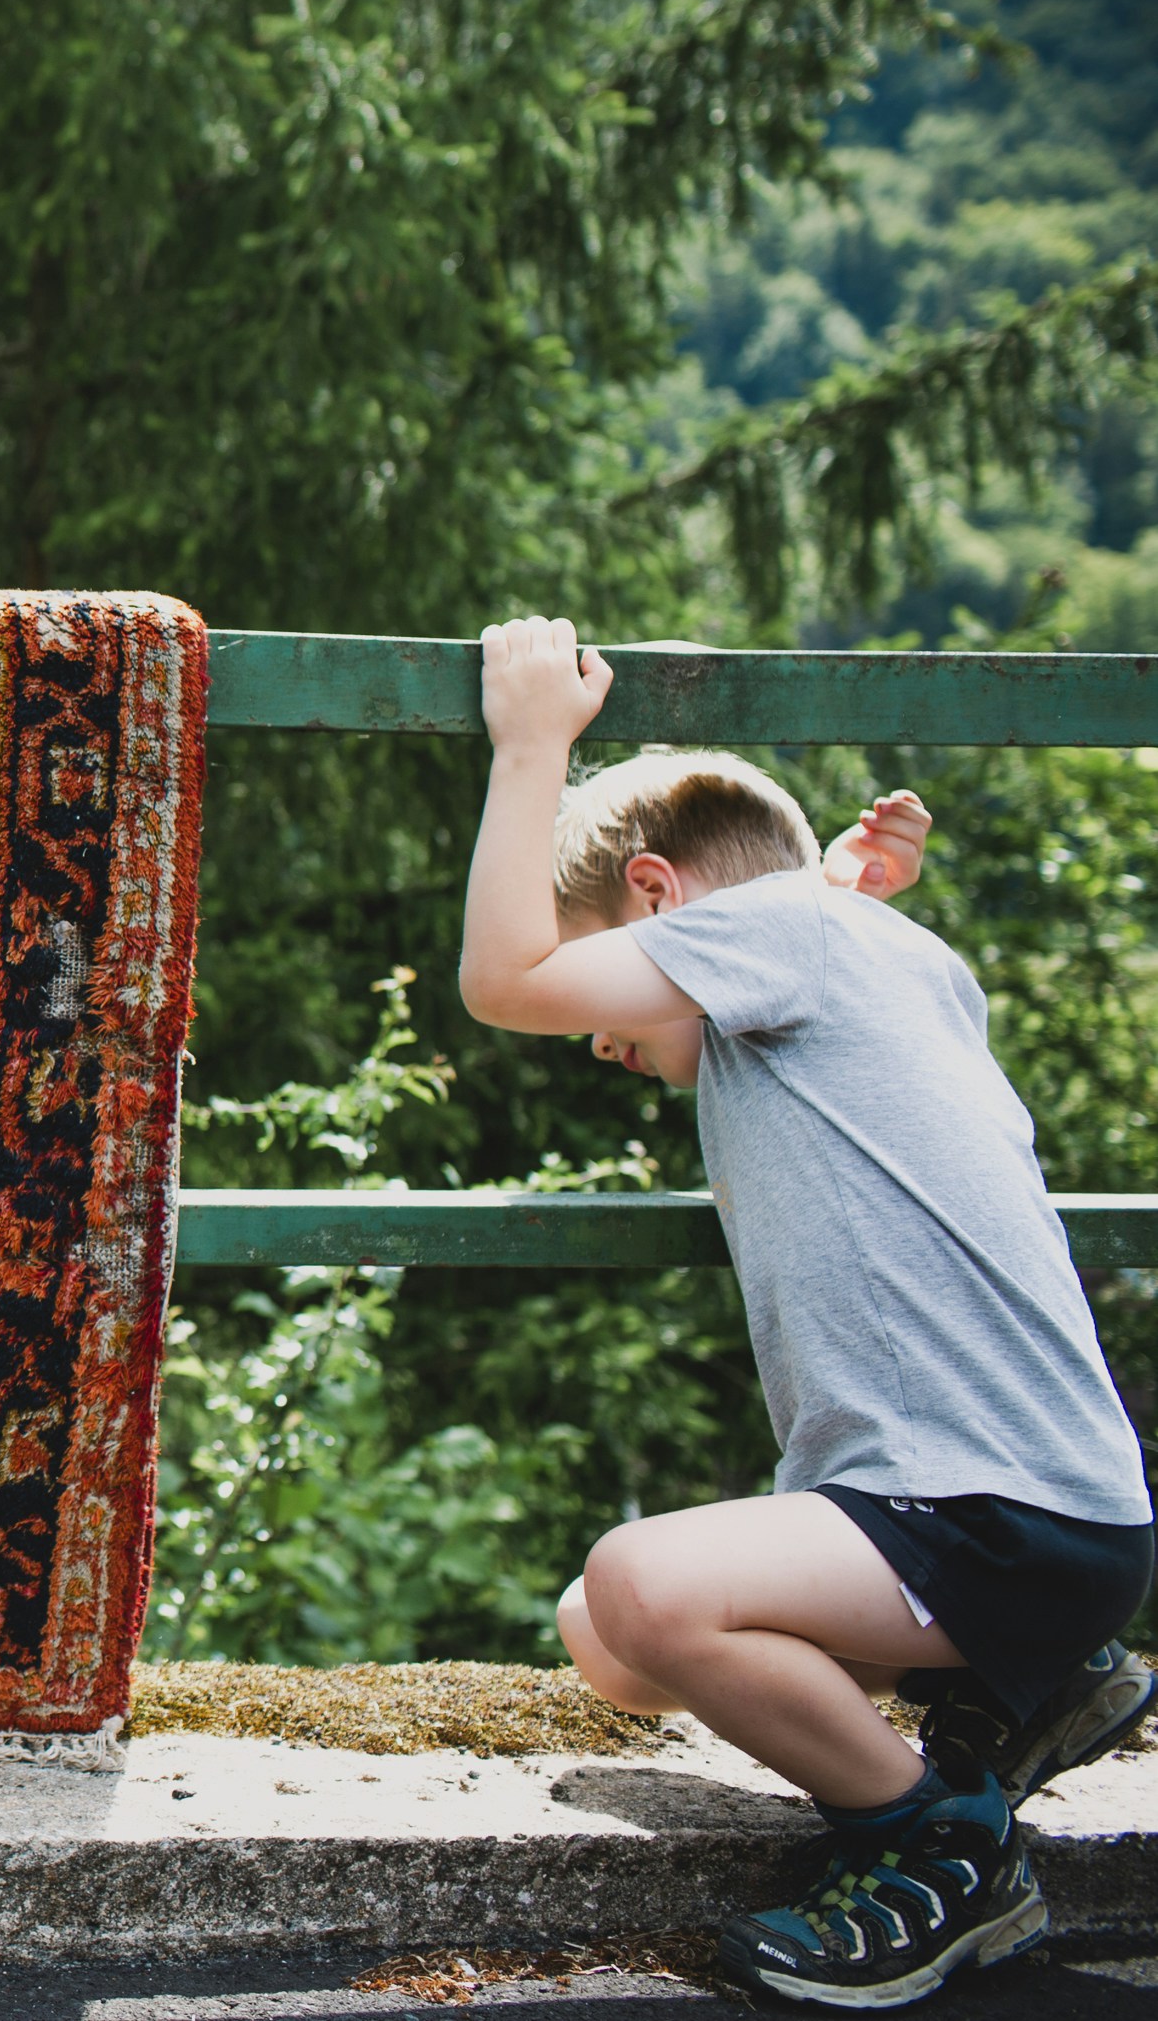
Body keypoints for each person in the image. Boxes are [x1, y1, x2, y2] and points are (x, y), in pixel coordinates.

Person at [458, 616, 1156, 2010]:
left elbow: (505, 980)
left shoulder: (779, 936)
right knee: (605, 1633)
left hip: (981, 1511)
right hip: (1046, 1514)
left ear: (662, 898)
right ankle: (1023, 1688)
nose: (604, 1035)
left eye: (616, 966)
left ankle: (941, 1845)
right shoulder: (873, 950)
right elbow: (819, 965)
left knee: (647, 1580)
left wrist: (534, 744)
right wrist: (841, 880)